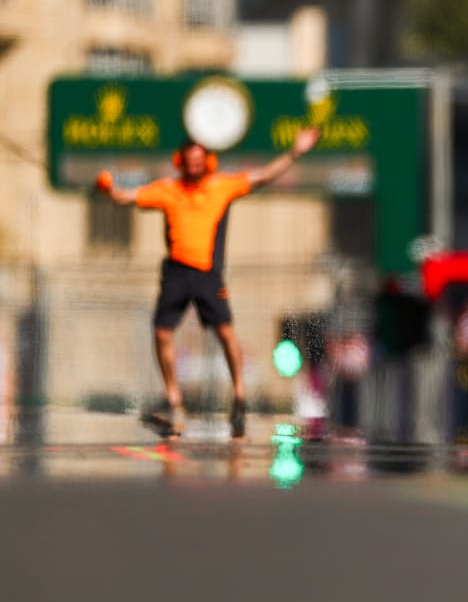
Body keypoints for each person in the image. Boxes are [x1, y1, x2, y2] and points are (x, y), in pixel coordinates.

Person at [98, 127, 321, 440]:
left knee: (226, 332)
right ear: (181, 162)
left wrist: (296, 152)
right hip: (176, 270)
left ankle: (239, 396)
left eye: (199, 160)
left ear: (208, 162)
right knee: (162, 332)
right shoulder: (168, 189)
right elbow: (127, 196)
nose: (194, 166)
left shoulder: (221, 186)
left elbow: (264, 176)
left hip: (207, 273)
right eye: (189, 161)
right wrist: (108, 189)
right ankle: (174, 399)